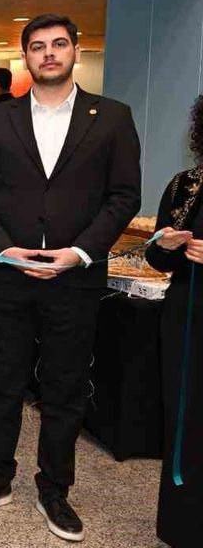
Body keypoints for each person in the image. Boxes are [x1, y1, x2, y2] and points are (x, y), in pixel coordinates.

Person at [0, 14, 141, 542]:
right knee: (3, 382)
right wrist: (2, 249)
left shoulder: (112, 117)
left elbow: (123, 195)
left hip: (74, 276)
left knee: (64, 387)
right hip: (9, 273)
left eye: (59, 44)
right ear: (26, 57)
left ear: (75, 51)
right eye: (38, 47)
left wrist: (80, 251)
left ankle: (55, 488)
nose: (49, 53)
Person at [144, 101, 203, 548]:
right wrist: (165, 244)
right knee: (185, 417)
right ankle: (184, 525)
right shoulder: (185, 184)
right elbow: (156, 256)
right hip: (186, 314)